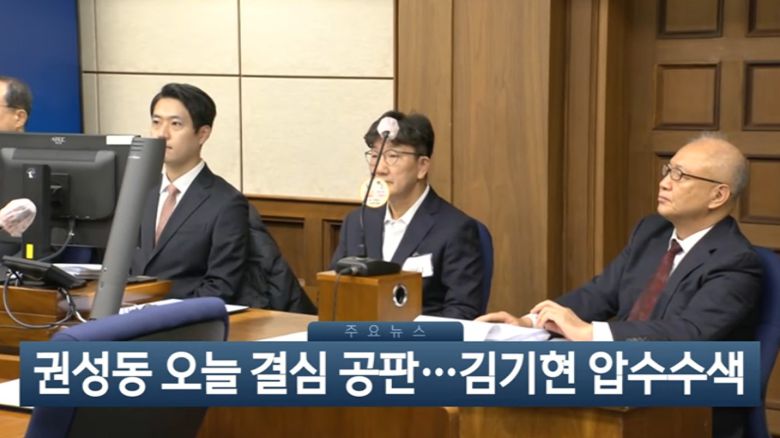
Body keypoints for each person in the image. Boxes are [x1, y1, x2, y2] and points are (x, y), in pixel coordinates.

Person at [479, 133, 760, 438]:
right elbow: (601, 293)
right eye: (668, 170)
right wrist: (530, 323)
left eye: (681, 176)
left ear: (718, 196)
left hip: (686, 405)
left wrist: (590, 333)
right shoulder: (651, 231)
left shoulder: (736, 261)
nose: (664, 183)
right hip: (616, 378)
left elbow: (689, 334)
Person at [331, 110, 484, 319]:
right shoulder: (357, 221)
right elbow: (336, 292)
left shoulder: (455, 228)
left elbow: (462, 311)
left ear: (422, 167)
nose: (379, 169)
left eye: (392, 156)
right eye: (374, 156)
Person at [130, 83, 248, 301]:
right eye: (156, 122)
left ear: (202, 134)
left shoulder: (227, 203)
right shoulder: (137, 191)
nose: (162, 134)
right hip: (127, 312)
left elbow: (221, 287)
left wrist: (165, 314)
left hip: (185, 317)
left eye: (175, 124)